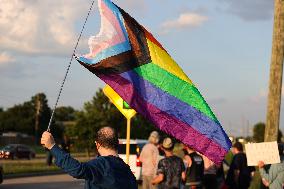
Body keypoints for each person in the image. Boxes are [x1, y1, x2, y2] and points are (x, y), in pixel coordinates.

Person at [41, 127, 137, 189]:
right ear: (117, 143)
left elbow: (77, 169)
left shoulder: (101, 165)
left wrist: (52, 146)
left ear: (97, 144)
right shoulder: (127, 170)